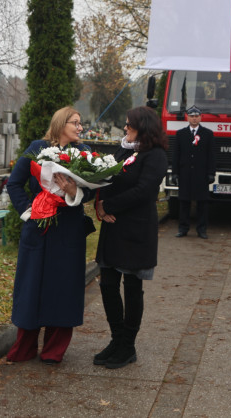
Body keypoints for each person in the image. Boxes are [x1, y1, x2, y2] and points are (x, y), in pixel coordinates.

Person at [5, 107, 93, 364]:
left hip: (68, 230)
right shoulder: (37, 148)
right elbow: (14, 183)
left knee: (63, 288)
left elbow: (93, 191)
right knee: (33, 285)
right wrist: (27, 212)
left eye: (80, 123)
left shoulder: (84, 152)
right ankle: (25, 346)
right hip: (39, 228)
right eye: (75, 123)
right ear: (60, 124)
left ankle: (54, 350)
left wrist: (74, 190)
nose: (80, 128)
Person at [94, 106, 169, 369]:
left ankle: (128, 346)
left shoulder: (156, 155)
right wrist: (100, 205)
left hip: (136, 230)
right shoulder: (124, 149)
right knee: (107, 285)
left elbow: (144, 191)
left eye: (129, 124)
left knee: (132, 288)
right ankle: (116, 340)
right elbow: (106, 178)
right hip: (113, 228)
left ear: (143, 127)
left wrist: (110, 207)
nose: (125, 128)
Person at [172, 105, 215, 239]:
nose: (194, 119)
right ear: (187, 117)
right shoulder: (180, 134)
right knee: (184, 202)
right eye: (192, 116)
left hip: (201, 174)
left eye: (196, 116)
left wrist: (211, 173)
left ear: (200, 117)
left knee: (202, 203)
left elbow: (211, 156)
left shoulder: (208, 134)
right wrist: (175, 173)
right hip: (185, 173)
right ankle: (183, 228)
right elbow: (176, 155)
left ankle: (201, 230)